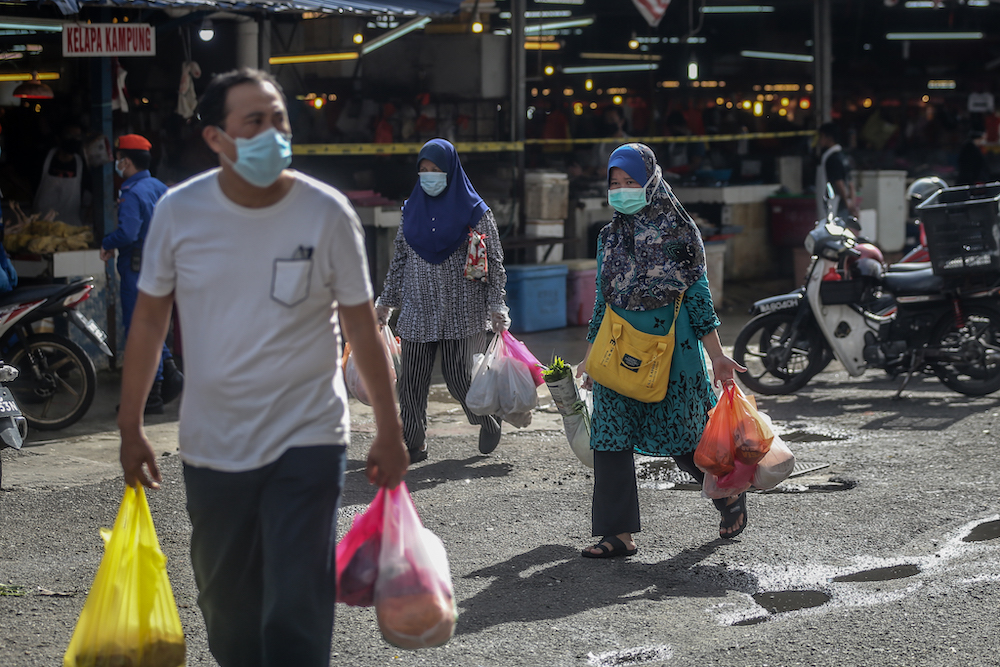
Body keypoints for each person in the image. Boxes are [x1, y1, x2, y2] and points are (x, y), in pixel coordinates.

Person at [117, 68, 408, 667]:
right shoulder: (179, 213)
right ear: (217, 139)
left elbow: (361, 326)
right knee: (229, 609)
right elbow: (148, 322)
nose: (273, 131)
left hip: (308, 436)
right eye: (255, 121)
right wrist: (129, 426)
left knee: (297, 603)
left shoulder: (325, 214)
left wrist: (390, 425)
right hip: (213, 444)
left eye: (279, 118)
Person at [575, 143, 747, 559]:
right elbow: (604, 299)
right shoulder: (609, 237)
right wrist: (592, 354)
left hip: (674, 350)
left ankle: (726, 495)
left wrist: (717, 355)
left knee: (683, 436)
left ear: (650, 182)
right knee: (610, 437)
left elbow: (698, 296)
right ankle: (617, 534)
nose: (620, 190)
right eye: (614, 183)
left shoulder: (679, 232)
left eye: (630, 181)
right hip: (619, 351)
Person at [375, 138, 509, 464]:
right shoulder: (411, 211)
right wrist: (385, 304)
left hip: (460, 310)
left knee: (458, 378)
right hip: (418, 310)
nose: (429, 176)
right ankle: (414, 443)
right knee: (411, 382)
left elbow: (493, 262)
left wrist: (497, 306)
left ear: (451, 171)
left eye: (436, 170)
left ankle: (486, 420)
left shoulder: (475, 212)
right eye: (424, 170)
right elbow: (400, 262)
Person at [99, 134, 181, 414]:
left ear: (127, 161)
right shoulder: (158, 187)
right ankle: (170, 376)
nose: (117, 164)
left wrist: (107, 243)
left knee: (141, 331)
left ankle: (153, 396)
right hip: (161, 267)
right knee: (155, 327)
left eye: (119, 158)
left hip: (138, 271)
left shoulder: (132, 193)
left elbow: (129, 232)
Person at [816, 122, 860, 224]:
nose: (819, 140)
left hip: (834, 206)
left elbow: (839, 183)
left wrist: (847, 204)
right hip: (843, 205)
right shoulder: (843, 156)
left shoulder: (832, 158)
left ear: (829, 137)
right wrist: (852, 204)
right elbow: (850, 183)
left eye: (821, 136)